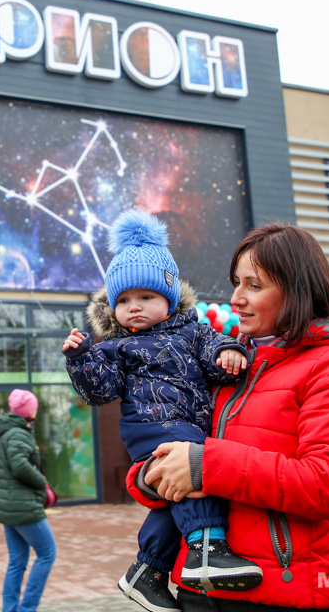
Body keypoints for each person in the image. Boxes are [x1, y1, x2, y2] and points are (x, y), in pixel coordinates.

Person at [129, 222, 329, 611]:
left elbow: (328, 485)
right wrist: (149, 475)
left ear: (297, 290)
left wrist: (203, 465)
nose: (236, 298)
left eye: (254, 286)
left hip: (276, 594)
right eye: (236, 283)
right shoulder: (226, 363)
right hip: (196, 588)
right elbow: (176, 447)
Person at [63, 210, 260, 612]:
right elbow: (100, 392)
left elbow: (213, 349)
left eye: (146, 297)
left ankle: (147, 571)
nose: (134, 307)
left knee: (175, 495)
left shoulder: (193, 330)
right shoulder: (114, 348)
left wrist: (228, 352)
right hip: (151, 429)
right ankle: (207, 549)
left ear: (169, 300)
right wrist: (82, 358)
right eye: (124, 300)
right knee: (192, 470)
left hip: (190, 424)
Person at [0, 389, 57, 612]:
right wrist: (42, 482)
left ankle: (10, 609)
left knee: (16, 562)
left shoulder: (8, 432)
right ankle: (26, 609)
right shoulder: (18, 434)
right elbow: (20, 466)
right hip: (23, 506)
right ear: (29, 411)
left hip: (10, 506)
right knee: (48, 553)